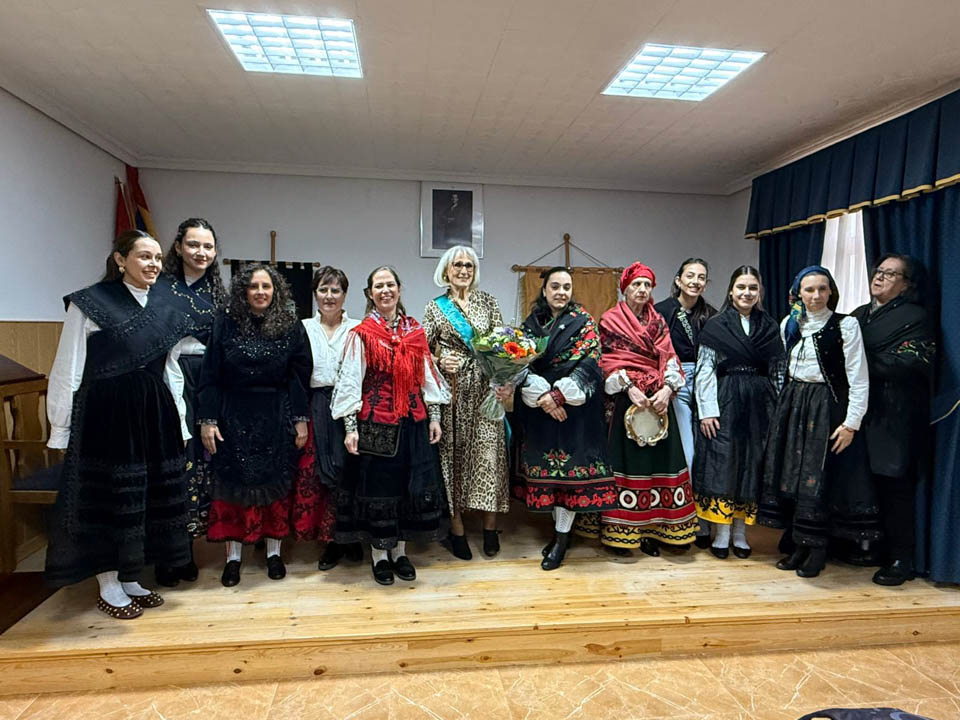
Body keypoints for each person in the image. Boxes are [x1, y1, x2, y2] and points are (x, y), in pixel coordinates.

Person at [45, 230, 192, 619]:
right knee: (111, 499)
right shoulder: (91, 303)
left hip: (151, 415)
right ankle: (108, 583)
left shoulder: (165, 308)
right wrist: (60, 427)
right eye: (144, 256)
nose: (153, 265)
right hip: (105, 415)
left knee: (143, 499)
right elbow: (68, 368)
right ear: (120, 259)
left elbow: (171, 370)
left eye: (158, 258)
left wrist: (180, 423)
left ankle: (129, 576)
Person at [331, 266, 451, 586]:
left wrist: (435, 416)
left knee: (407, 490)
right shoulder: (363, 334)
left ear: (399, 289)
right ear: (370, 294)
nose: (385, 290)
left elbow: (428, 377)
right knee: (379, 493)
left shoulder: (416, 331)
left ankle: (400, 552)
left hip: (413, 422)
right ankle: (379, 555)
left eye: (390, 285)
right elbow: (351, 381)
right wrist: (350, 426)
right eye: (378, 286)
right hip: (375, 424)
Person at [759, 265, 878, 578]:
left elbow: (858, 377)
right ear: (799, 293)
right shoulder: (791, 324)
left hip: (826, 407)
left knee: (818, 478)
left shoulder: (845, 325)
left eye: (821, 289)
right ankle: (799, 542)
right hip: (794, 405)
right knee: (794, 477)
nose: (815, 295)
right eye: (809, 290)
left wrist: (852, 423)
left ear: (830, 292)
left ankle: (818, 547)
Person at [199, 264, 312, 587]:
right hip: (232, 414)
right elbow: (210, 376)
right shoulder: (225, 322)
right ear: (243, 291)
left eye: (267, 286)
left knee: (274, 485)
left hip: (276, 414)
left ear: (276, 291)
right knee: (233, 487)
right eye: (253, 286)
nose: (260, 292)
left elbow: (298, 378)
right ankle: (233, 559)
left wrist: (300, 420)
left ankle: (274, 553)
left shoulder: (290, 324)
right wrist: (208, 420)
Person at [575, 262, 698, 556]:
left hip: (657, 404)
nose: (642, 290)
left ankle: (655, 531)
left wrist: (668, 390)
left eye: (647, 285)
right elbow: (606, 361)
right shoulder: (609, 320)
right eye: (636, 285)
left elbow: (669, 358)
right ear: (625, 288)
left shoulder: (658, 322)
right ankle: (621, 533)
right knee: (627, 468)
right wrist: (629, 387)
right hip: (624, 404)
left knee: (658, 468)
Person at [512, 267, 618, 571]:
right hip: (540, 411)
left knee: (570, 478)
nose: (561, 292)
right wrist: (543, 397)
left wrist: (558, 397)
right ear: (544, 290)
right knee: (550, 475)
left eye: (567, 287)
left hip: (575, 411)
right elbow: (517, 363)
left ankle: (561, 540)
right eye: (555, 286)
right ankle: (558, 533)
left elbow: (590, 364)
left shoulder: (584, 323)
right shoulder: (530, 325)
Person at [851, 254, 935, 586]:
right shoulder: (859, 315)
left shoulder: (916, 317)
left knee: (894, 487)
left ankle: (903, 558)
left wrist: (860, 361)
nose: (881, 277)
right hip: (862, 411)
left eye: (891, 274)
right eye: (879, 271)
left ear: (906, 285)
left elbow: (910, 363)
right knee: (863, 483)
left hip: (895, 414)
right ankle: (867, 545)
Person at [423, 246, 509, 560]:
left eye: (469, 265)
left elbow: (504, 347)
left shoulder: (489, 302)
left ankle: (489, 528)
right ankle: (457, 530)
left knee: (489, 457)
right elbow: (422, 350)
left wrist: (504, 382)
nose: (463, 270)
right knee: (453, 460)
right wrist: (439, 358)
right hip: (453, 392)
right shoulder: (436, 307)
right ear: (446, 270)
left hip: (486, 391)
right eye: (457, 265)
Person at [154, 217, 226, 587]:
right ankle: (167, 554)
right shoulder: (158, 288)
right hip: (165, 379)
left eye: (208, 247)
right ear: (179, 246)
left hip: (207, 382)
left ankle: (187, 551)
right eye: (194, 245)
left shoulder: (219, 295)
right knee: (170, 463)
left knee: (200, 464)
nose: (201, 253)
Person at [694, 266, 785, 559]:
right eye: (741, 287)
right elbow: (705, 369)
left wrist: (780, 407)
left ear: (760, 292)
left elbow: (778, 370)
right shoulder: (715, 325)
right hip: (726, 397)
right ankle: (720, 533)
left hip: (761, 401)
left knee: (752, 461)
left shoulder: (770, 326)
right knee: (724, 460)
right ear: (731, 291)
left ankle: (740, 533)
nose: (747, 293)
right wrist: (707, 410)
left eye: (753, 288)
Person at [296, 266, 363, 570]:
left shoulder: (358, 329)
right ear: (315, 294)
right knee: (322, 476)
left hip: (351, 407)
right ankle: (331, 541)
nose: (329, 296)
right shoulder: (303, 328)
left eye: (335, 290)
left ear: (345, 295)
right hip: (317, 405)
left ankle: (352, 537)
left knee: (352, 472)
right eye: (323, 289)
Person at [655, 258, 717, 548]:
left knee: (707, 451)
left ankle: (703, 522)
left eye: (701, 277)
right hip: (672, 383)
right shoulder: (661, 312)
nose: (695, 281)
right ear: (678, 279)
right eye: (689, 276)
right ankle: (678, 521)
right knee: (686, 453)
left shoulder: (713, 315)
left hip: (707, 381)